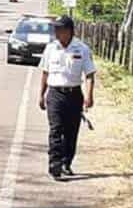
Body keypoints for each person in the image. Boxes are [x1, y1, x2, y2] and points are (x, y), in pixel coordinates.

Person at [38, 15, 97, 181]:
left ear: (69, 31)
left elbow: (90, 74)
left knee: (71, 132)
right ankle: (55, 163)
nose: (57, 33)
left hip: (74, 94)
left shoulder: (82, 49)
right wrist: (41, 95)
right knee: (56, 129)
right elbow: (45, 72)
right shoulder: (51, 48)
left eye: (60, 29)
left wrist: (89, 96)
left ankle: (66, 162)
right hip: (55, 94)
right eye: (55, 29)